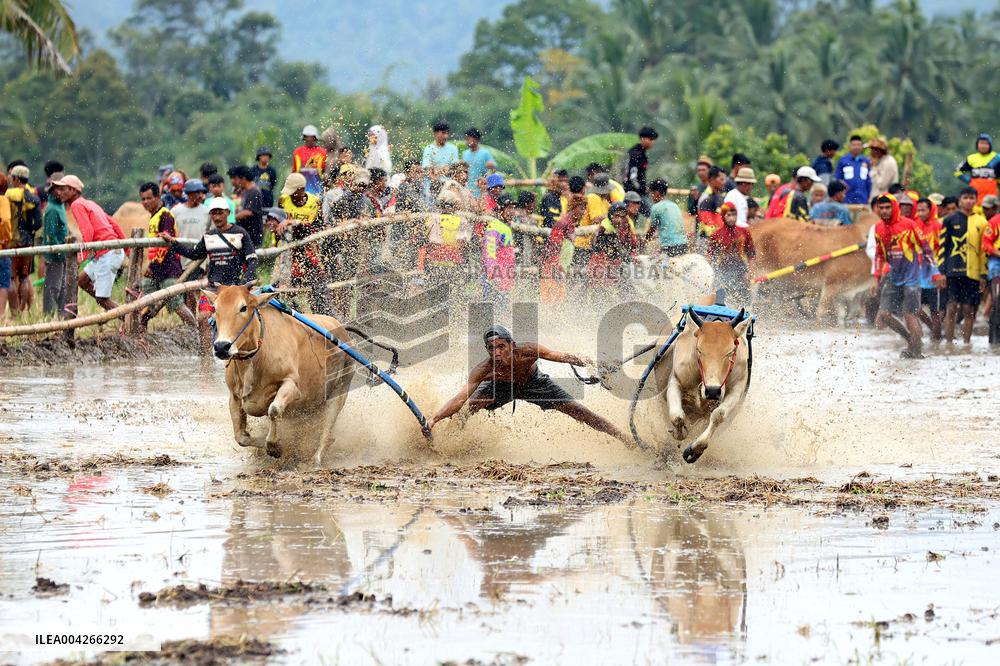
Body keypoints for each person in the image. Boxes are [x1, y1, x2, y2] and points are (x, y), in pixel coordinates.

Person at [425, 325, 630, 444]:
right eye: (491, 348)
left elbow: (561, 356)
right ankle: (446, 445)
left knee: (579, 411)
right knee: (466, 410)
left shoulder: (528, 351)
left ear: (512, 345)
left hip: (533, 383)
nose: (496, 352)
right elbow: (459, 399)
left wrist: (597, 364)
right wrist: (434, 419)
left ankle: (624, 438)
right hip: (500, 388)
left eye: (501, 347)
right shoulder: (484, 370)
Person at [160, 199, 258, 352]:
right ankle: (206, 358)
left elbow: (252, 260)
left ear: (228, 213)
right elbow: (193, 254)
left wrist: (244, 284)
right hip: (214, 288)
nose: (217, 217)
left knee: (235, 318)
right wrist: (173, 242)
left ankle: (236, 350)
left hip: (234, 289)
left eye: (220, 213)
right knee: (203, 319)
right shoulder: (208, 236)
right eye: (213, 213)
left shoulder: (240, 233)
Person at [872, 194, 941, 358]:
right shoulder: (878, 227)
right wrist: (876, 279)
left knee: (910, 314)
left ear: (894, 207)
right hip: (893, 276)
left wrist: (935, 272)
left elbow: (926, 248)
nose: (884, 211)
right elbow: (879, 254)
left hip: (912, 277)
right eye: (881, 208)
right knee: (884, 314)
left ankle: (917, 352)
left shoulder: (909, 224)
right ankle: (910, 340)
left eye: (887, 207)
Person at [51, 175, 126, 313]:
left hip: (107, 253)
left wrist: (82, 256)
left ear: (73, 190)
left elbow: (88, 231)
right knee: (82, 281)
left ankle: (126, 317)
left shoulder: (76, 205)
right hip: (107, 251)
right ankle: (114, 310)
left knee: (102, 299)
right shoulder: (89, 203)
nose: (59, 192)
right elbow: (113, 223)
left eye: (63, 189)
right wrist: (126, 248)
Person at [138, 182, 195, 329]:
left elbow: (165, 243)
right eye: (143, 199)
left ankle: (195, 329)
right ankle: (140, 332)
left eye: (149, 198)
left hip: (169, 267)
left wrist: (153, 266)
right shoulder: (154, 216)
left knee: (175, 303)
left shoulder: (165, 215)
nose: (146, 202)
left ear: (158, 197)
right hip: (157, 268)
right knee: (147, 300)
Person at [940, 187, 987, 345]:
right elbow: (942, 247)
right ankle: (948, 343)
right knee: (951, 307)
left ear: (976, 200)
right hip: (952, 271)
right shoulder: (949, 219)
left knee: (969, 310)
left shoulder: (982, 222)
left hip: (973, 273)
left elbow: (983, 251)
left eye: (971, 198)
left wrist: (983, 275)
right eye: (965, 198)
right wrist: (942, 272)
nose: (968, 201)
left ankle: (967, 344)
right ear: (960, 200)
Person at [276, 172, 329, 314]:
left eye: (294, 192)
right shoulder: (283, 201)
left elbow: (319, 228)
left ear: (301, 189)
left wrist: (297, 223)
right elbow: (277, 223)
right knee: (283, 287)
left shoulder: (315, 203)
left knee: (318, 286)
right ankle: (290, 315)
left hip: (309, 250)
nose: (292, 195)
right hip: (288, 251)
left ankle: (321, 316)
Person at [6, 165, 41, 313]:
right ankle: (22, 309)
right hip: (27, 241)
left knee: (11, 277)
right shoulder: (33, 197)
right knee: (24, 277)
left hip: (12, 241)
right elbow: (38, 223)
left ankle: (14, 312)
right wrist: (29, 231)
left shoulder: (9, 194)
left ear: (16, 179)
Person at [708, 202, 755, 305]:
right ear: (723, 216)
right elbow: (711, 257)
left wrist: (750, 272)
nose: (732, 218)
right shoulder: (716, 235)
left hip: (741, 271)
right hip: (722, 272)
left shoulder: (743, 232)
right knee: (719, 303)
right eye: (728, 215)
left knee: (744, 303)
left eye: (734, 215)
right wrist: (713, 276)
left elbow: (751, 254)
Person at [421, 189, 472, 286]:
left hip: (434, 257)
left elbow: (427, 238)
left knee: (433, 285)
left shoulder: (432, 218)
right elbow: (461, 243)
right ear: (454, 205)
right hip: (453, 258)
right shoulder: (461, 220)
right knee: (453, 286)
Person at [589, 201, 638, 299]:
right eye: (616, 216)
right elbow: (616, 249)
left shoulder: (617, 226)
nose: (619, 220)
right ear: (610, 215)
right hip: (601, 265)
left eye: (622, 217)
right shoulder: (607, 228)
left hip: (609, 265)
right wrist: (630, 258)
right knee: (602, 295)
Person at [915, 197, 946, 341]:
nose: (921, 213)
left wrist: (940, 272)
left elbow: (943, 249)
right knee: (915, 308)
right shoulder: (915, 226)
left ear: (931, 210)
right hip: (917, 275)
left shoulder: (939, 226)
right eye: (919, 210)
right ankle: (933, 332)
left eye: (923, 210)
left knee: (936, 311)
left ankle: (936, 342)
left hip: (934, 274)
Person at [482, 194, 516, 313]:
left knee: (503, 312)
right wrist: (493, 274)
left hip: (505, 278)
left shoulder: (505, 227)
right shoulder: (494, 226)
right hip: (496, 279)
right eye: (508, 208)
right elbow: (489, 252)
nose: (511, 212)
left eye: (512, 208)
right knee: (492, 312)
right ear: (500, 210)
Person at [41, 174, 69, 316]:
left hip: (63, 253)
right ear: (53, 191)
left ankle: (62, 315)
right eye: (59, 189)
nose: (62, 192)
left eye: (64, 189)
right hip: (55, 255)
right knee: (53, 287)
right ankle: (48, 316)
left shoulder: (60, 206)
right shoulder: (52, 209)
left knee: (63, 286)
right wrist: (59, 252)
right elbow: (50, 235)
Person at [955, 133, 1000, 204]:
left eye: (986, 144)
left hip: (991, 198)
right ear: (977, 145)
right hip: (974, 198)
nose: (983, 146)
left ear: (990, 145)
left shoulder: (997, 158)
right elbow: (957, 171)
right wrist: (969, 181)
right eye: (981, 143)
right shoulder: (971, 158)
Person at [171, 179, 210, 260]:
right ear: (189, 193)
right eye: (197, 192)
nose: (201, 195)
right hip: (180, 256)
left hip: (200, 258)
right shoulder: (175, 211)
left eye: (202, 192)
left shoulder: (207, 212)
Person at [422, 121, 459, 193]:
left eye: (447, 133)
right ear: (435, 133)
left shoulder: (453, 149)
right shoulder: (428, 149)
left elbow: (455, 169)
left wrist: (436, 169)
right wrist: (445, 169)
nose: (446, 136)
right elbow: (427, 170)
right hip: (432, 187)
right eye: (443, 133)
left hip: (449, 187)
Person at [624, 126, 657, 206]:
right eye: (651, 139)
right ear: (643, 138)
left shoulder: (641, 152)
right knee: (650, 210)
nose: (653, 142)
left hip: (637, 191)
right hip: (634, 193)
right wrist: (642, 189)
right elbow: (633, 177)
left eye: (653, 140)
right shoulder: (636, 154)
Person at [232, 165, 265, 247]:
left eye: (238, 179)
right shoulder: (244, 191)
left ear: (243, 179)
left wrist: (232, 218)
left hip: (253, 233)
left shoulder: (254, 192)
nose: (237, 182)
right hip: (244, 231)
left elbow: (248, 212)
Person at [835, 135, 872, 204]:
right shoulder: (843, 160)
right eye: (854, 145)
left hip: (862, 199)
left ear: (862, 147)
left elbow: (868, 181)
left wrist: (869, 196)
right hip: (846, 198)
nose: (856, 147)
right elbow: (837, 178)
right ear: (849, 146)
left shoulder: (866, 161)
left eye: (859, 145)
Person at [982, 201, 1000, 345]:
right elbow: (985, 244)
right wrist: (998, 253)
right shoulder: (994, 222)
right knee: (997, 301)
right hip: (997, 265)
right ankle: (993, 342)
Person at [292, 124, 327, 194]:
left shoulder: (322, 152)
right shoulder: (297, 152)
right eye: (307, 137)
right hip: (301, 190)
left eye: (311, 137)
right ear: (304, 138)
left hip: (318, 190)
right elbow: (294, 172)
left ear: (315, 138)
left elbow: (325, 171)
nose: (309, 139)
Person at [462, 127, 495, 196]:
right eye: (466, 139)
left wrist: (490, 166)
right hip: (467, 188)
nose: (466, 141)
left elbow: (493, 168)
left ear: (476, 139)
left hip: (481, 188)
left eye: (468, 139)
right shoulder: (465, 154)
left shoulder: (485, 153)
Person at [696, 166, 728, 239]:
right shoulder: (706, 199)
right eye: (722, 179)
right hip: (708, 241)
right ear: (712, 179)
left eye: (725, 179)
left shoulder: (721, 196)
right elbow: (707, 227)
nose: (724, 182)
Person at [867, 137, 898, 203]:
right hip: (876, 200)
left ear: (880, 150)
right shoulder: (880, 161)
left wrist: (874, 168)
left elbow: (881, 184)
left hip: (884, 201)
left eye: (874, 149)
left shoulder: (888, 162)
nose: (871, 152)